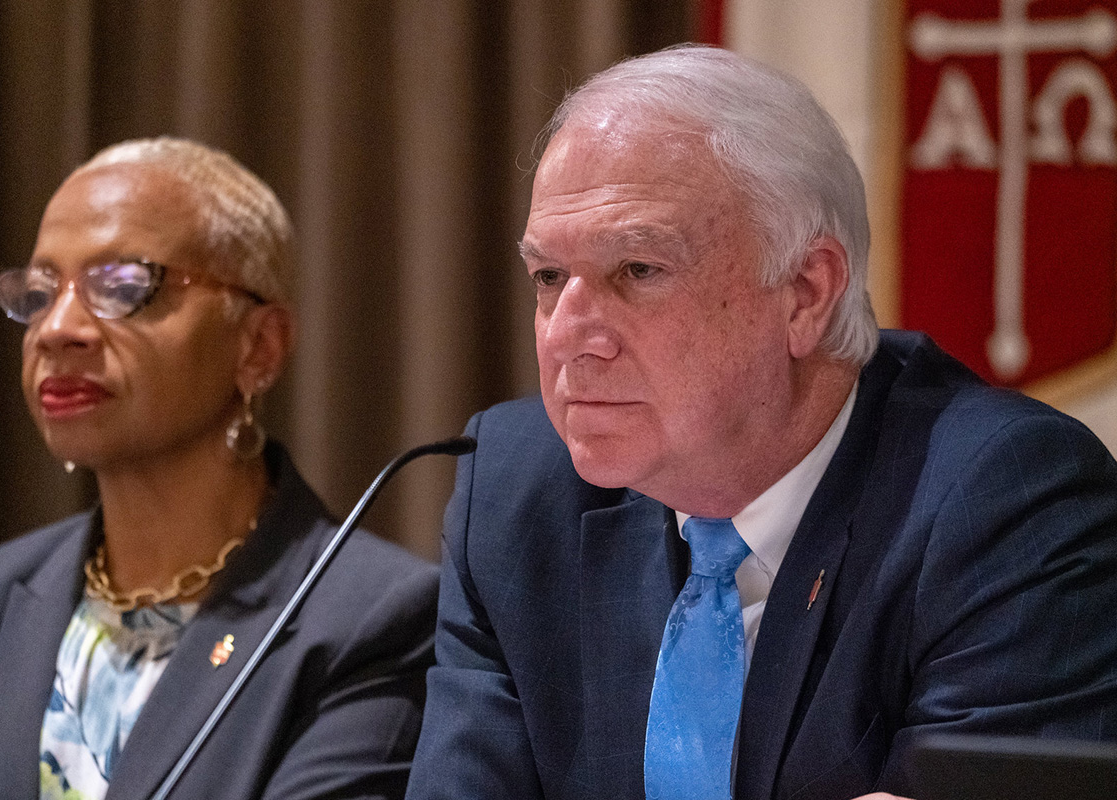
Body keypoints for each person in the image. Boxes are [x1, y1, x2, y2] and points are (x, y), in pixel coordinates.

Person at [405, 44, 1117, 800]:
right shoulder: (517, 495)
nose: (567, 334)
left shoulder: (1007, 502)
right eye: (550, 277)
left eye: (637, 270)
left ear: (806, 292)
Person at [0, 137, 438, 800]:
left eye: (124, 286)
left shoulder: (374, 620)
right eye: (41, 293)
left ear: (258, 345)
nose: (56, 330)